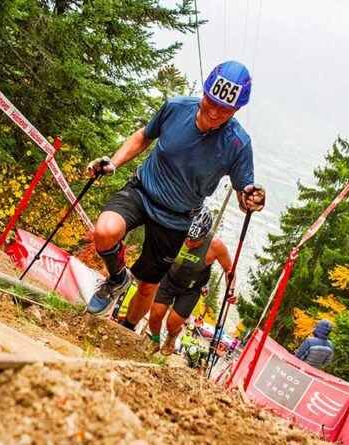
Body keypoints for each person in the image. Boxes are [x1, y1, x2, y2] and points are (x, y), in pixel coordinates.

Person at [84, 61, 266, 327]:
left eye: (225, 109)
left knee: (147, 286)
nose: (214, 112)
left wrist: (252, 200)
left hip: (177, 218)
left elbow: (244, 194)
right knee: (104, 231)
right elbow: (144, 136)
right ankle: (117, 278)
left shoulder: (238, 144)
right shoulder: (176, 108)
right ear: (204, 92)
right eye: (210, 101)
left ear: (237, 109)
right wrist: (113, 163)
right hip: (142, 191)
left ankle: (125, 329)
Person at [146, 207, 235, 355]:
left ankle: (172, 336)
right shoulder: (176, 230)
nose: (189, 243)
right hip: (169, 279)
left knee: (171, 323)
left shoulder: (216, 245)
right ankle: (154, 342)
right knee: (155, 315)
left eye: (195, 241)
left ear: (205, 235)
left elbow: (229, 269)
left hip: (191, 289)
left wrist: (230, 290)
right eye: (187, 237)